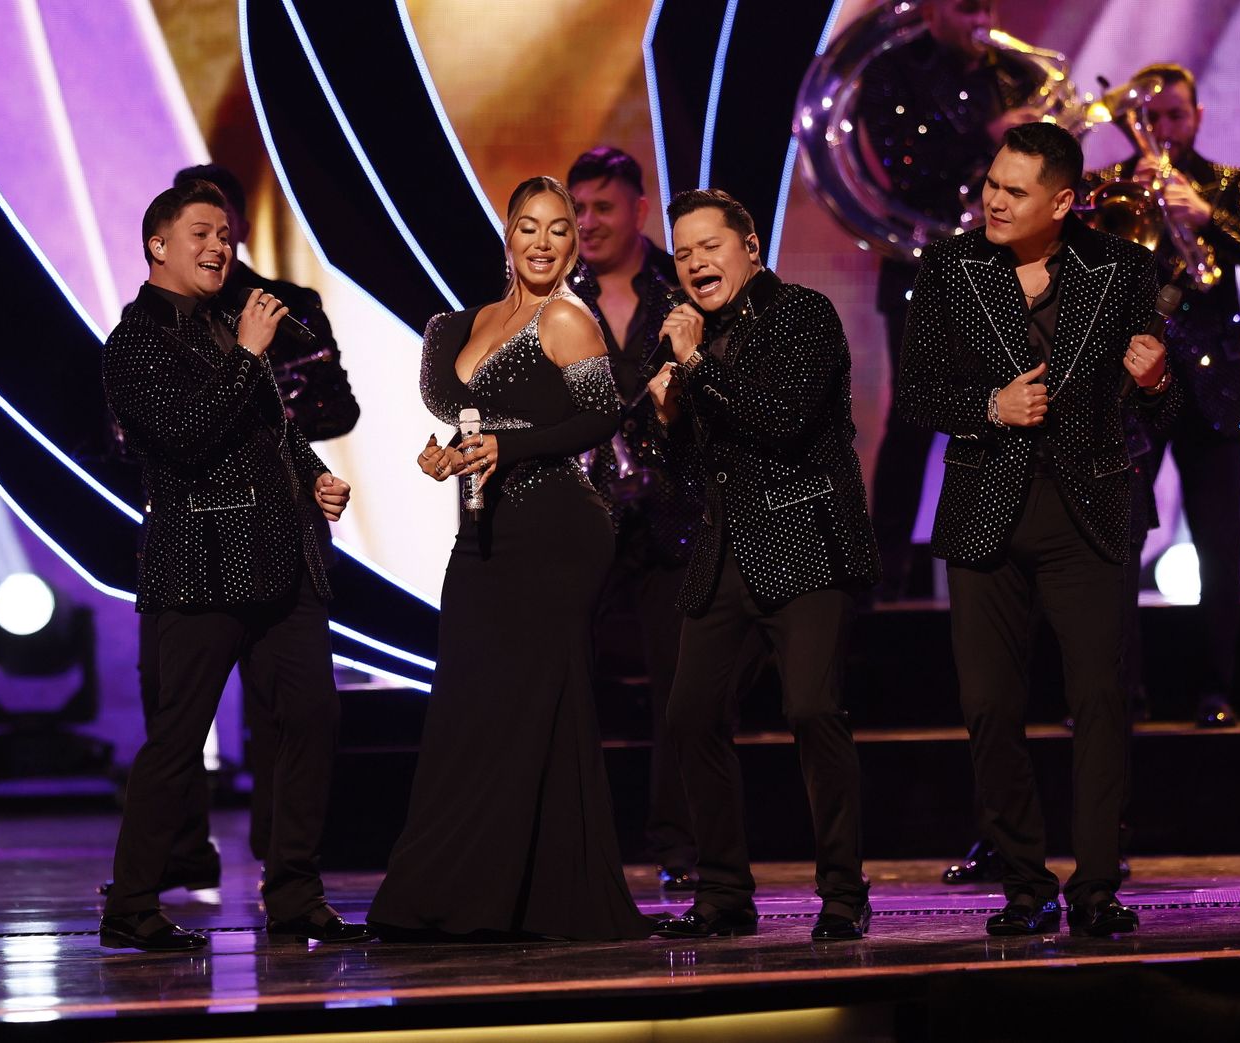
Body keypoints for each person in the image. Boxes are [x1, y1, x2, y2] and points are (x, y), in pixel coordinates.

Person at [897, 123, 1172, 937]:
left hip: (1087, 513)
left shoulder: (1119, 268)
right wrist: (990, 405)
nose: (993, 201)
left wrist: (1156, 383)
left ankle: (1094, 885)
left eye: (1014, 192)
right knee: (988, 704)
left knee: (1098, 701)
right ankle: (1023, 881)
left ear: (1062, 200)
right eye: (991, 184)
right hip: (985, 513)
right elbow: (916, 394)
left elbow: (1164, 403)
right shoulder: (951, 266)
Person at [368, 177, 652, 941]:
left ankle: (491, 895)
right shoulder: (468, 322)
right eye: (530, 227)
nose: (544, 242)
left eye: (559, 230)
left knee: (521, 708)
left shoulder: (568, 316)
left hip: (557, 533)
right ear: (508, 232)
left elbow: (601, 414)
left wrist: (509, 444)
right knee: (468, 705)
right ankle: (502, 890)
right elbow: (478, 420)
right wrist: (450, 454)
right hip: (483, 534)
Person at [99, 180, 365, 950]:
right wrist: (249, 353)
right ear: (159, 244)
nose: (220, 247)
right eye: (202, 234)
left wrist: (310, 472)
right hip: (201, 562)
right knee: (179, 738)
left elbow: (266, 432)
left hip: (283, 562)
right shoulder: (135, 342)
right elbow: (184, 435)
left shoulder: (223, 328)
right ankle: (133, 903)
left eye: (226, 235)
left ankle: (295, 892)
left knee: (312, 717)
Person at [647, 189, 880, 942]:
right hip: (726, 553)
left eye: (709, 246)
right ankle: (722, 894)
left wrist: (693, 369)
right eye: (682, 253)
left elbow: (782, 418)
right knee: (689, 716)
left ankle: (843, 892)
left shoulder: (802, 314)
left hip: (807, 541)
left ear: (749, 247)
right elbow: (687, 469)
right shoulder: (686, 339)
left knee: (812, 708)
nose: (694, 264)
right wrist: (669, 416)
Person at [1086, 62, 1240, 729]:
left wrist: (1207, 217)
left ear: (1198, 117)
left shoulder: (1231, 186)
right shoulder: (1106, 187)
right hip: (1129, 385)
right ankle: (1120, 695)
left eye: (1176, 115)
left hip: (1213, 384)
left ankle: (1216, 690)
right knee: (1115, 544)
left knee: (1217, 541)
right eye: (1153, 117)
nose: (1165, 129)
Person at [856, 0, 1042, 600]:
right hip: (923, 264)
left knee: (1014, 420)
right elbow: (899, 165)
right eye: (966, 8)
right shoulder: (893, 71)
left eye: (986, 6)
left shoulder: (1012, 73)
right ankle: (887, 583)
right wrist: (983, 138)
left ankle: (1004, 571)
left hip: (1008, 271)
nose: (980, 20)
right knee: (916, 419)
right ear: (932, 10)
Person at [565, 147, 701, 890]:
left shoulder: (685, 284)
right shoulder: (553, 295)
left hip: (678, 512)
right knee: (567, 683)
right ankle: (579, 844)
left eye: (603, 207)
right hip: (585, 520)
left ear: (640, 211)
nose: (587, 223)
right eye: (578, 208)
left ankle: (678, 846)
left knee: (683, 688)